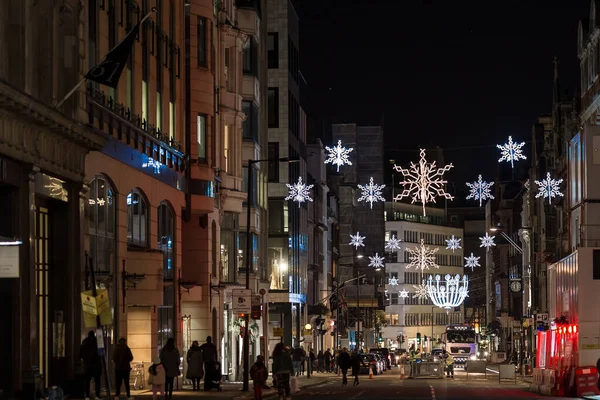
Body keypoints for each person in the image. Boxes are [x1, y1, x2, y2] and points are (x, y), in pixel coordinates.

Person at [80, 331, 102, 400]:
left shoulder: (84, 342)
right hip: (96, 365)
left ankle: (87, 396)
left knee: (87, 381)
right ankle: (97, 395)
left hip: (87, 365)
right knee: (97, 382)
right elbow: (101, 353)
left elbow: (80, 354)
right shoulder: (98, 342)